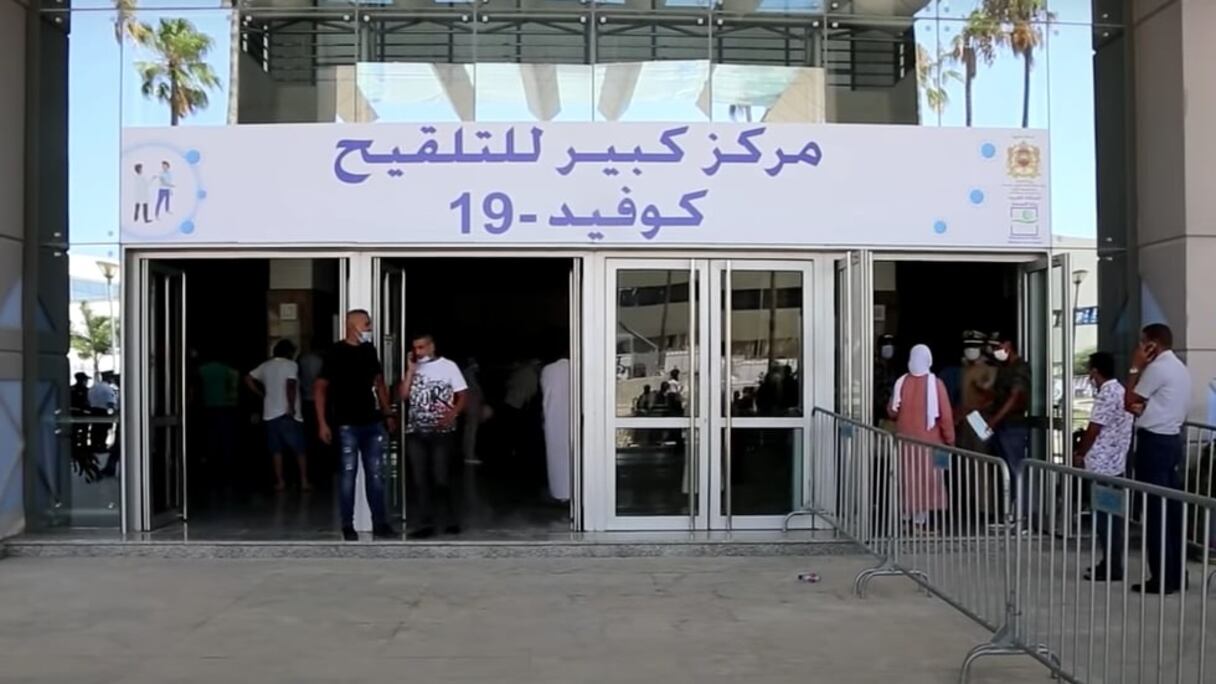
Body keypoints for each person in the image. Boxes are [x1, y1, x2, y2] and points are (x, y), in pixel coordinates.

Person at [315, 310, 398, 541]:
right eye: (367, 324)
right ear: (352, 325)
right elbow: (320, 388)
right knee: (348, 476)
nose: (370, 327)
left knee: (376, 475)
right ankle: (347, 525)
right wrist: (322, 423)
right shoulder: (335, 352)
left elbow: (379, 382)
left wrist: (388, 412)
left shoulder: (369, 350)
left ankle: (380, 523)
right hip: (345, 424)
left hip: (371, 422)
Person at [1125, 323, 1192, 594]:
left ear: (1152, 344)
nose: (1140, 349)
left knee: (1155, 511)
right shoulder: (1179, 368)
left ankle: (1161, 578)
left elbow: (1128, 399)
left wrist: (1134, 367)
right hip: (1172, 440)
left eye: (1143, 344)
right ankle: (1176, 574)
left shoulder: (1156, 369)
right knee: (1171, 512)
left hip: (1154, 443)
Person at [1074, 352, 1134, 582]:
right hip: (1116, 462)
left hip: (1102, 464)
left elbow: (1093, 430)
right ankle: (1112, 562)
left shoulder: (1106, 394)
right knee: (1113, 517)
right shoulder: (1121, 391)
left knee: (1104, 519)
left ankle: (1111, 565)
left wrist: (1080, 453)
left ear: (1095, 371)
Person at [400, 333, 467, 538]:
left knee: (441, 478)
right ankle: (425, 524)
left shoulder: (449, 366)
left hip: (441, 431)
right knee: (419, 479)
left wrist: (453, 414)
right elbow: (403, 396)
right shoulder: (414, 367)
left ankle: (450, 520)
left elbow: (463, 394)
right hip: (416, 430)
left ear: (431, 346)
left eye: (421, 347)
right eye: (415, 348)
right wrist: (410, 371)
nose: (418, 352)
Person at [888, 345, 954, 530]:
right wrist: (950, 440)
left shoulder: (902, 382)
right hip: (930, 443)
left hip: (904, 441)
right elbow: (946, 416)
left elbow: (892, 411)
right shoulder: (936, 384)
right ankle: (920, 519)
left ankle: (905, 516)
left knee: (906, 478)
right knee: (927, 479)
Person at [247, 339, 312, 493]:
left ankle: (280, 482)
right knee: (299, 449)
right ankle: (303, 481)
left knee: (276, 450)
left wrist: (260, 394)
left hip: (270, 413)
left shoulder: (266, 366)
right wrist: (290, 406)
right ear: (289, 352)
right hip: (287, 413)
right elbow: (290, 385)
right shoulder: (291, 365)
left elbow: (248, 378)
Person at [987, 332, 1031, 497]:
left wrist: (993, 420)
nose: (995, 350)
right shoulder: (1003, 368)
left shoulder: (1020, 367)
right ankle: (1011, 512)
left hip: (1013, 426)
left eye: (998, 347)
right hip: (1001, 426)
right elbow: (997, 396)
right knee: (1005, 471)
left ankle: (1021, 513)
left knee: (1015, 470)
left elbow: (1015, 397)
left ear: (1008, 345)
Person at [954, 331, 997, 453]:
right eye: (968, 346)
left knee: (981, 456)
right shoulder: (963, 370)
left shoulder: (990, 369)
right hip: (964, 419)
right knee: (966, 457)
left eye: (974, 346)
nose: (970, 350)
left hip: (981, 419)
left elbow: (992, 397)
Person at [541, 355, 572, 504]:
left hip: (553, 418)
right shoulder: (577, 369)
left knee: (557, 456)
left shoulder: (548, 370)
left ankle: (560, 492)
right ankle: (575, 489)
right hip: (573, 418)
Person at [460, 357, 486, 465]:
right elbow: (475, 389)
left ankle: (467, 453)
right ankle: (469, 455)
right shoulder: (470, 374)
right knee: (471, 430)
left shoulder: (466, 373)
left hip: (469, 404)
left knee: (469, 429)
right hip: (472, 404)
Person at [875, 334, 898, 427]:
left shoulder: (894, 367)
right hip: (878, 410)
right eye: (885, 347)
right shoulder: (876, 369)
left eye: (890, 347)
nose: (888, 350)